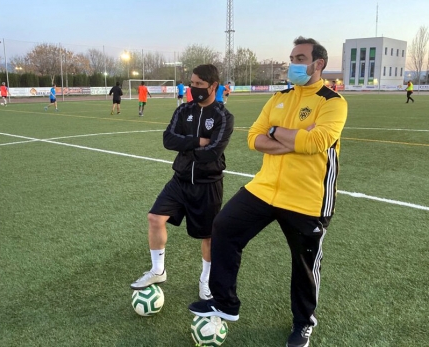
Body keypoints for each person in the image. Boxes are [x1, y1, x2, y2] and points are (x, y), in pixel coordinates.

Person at [189, 36, 348, 347]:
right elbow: (254, 138)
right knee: (224, 227)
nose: (293, 63)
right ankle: (225, 303)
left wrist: (277, 133)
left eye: (300, 58)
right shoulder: (279, 97)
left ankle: (303, 323)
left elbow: (316, 143)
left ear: (319, 64)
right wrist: (291, 139)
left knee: (304, 264)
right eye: (292, 57)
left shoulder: (332, 102)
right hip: (265, 187)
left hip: (307, 196)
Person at [130, 64, 234, 302]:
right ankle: (158, 271)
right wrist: (198, 141)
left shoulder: (223, 116)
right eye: (192, 83)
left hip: (209, 184)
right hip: (180, 179)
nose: (194, 88)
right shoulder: (184, 110)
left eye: (199, 84)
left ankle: (205, 280)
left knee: (208, 236)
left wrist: (186, 146)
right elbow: (168, 139)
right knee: (155, 218)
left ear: (213, 86)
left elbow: (213, 152)